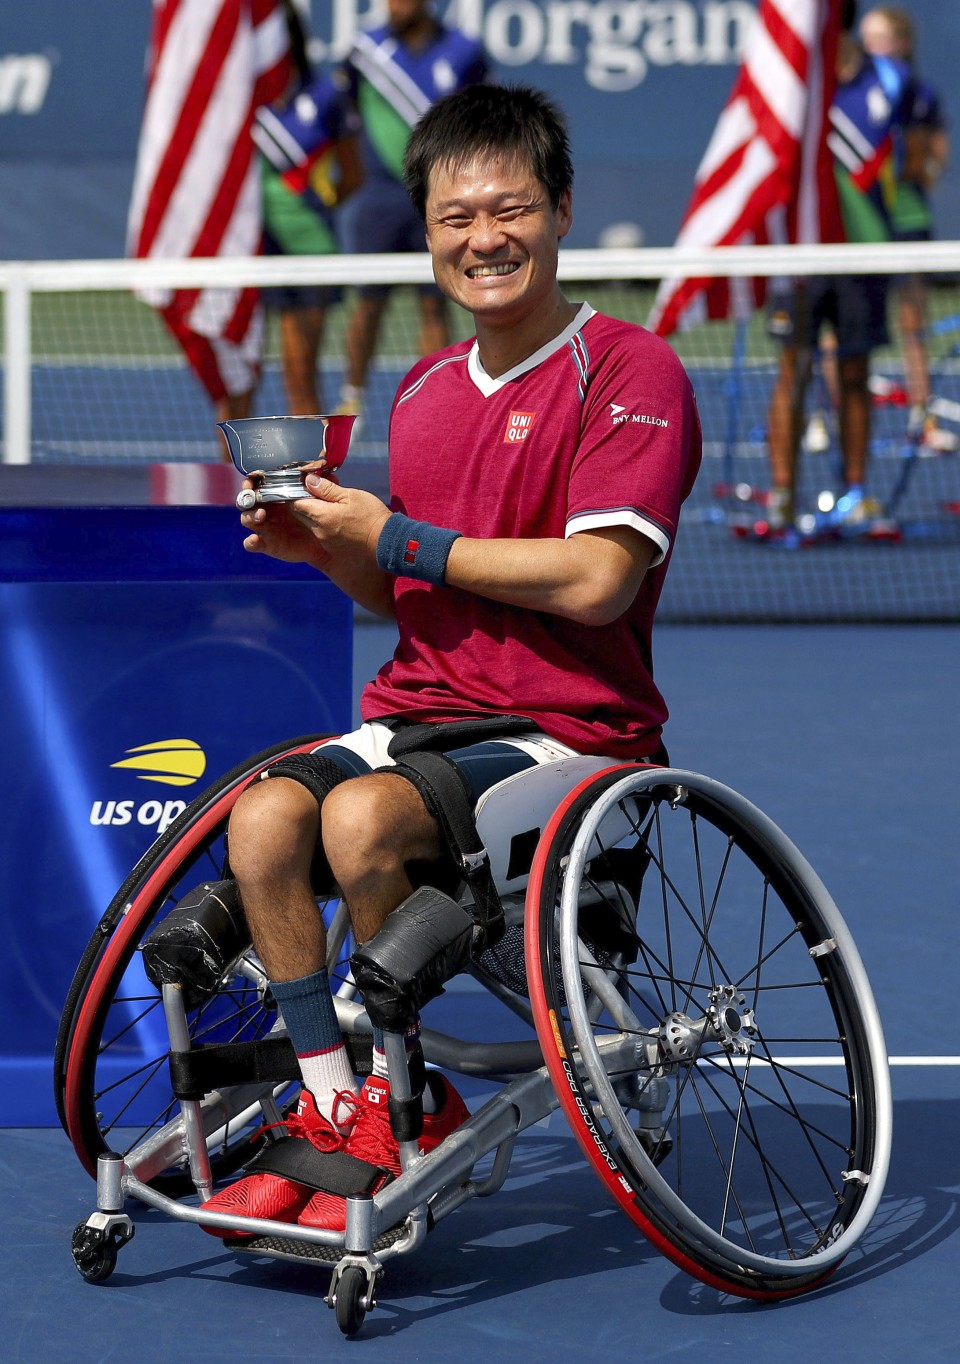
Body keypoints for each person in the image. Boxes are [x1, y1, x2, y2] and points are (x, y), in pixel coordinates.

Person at [199, 83, 702, 1237]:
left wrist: (400, 535)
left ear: (562, 210)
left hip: (574, 731)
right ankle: (346, 1107)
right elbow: (412, 586)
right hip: (427, 709)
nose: (484, 239)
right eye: (455, 218)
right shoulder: (424, 391)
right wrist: (326, 549)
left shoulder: (630, 370)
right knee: (261, 822)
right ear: (425, 234)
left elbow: (595, 581)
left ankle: (401, 1086)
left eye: (510, 208)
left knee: (364, 822)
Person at [766, 0, 909, 530]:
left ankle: (855, 493)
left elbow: (911, 156)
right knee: (794, 372)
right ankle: (783, 497)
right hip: (801, 256)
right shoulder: (791, 83)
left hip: (864, 254)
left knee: (855, 374)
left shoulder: (891, 80)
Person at [334, 0, 489, 425]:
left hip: (437, 199)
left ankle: (436, 399)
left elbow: (480, 119)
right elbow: (342, 115)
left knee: (434, 305)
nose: (394, 5)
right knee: (367, 306)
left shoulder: (464, 51)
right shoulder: (365, 52)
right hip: (378, 202)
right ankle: (352, 397)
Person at [254, 3, 362, 414]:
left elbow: (352, 177)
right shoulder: (241, 100)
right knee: (236, 382)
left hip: (311, 254)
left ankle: (311, 477)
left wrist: (316, 207)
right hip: (252, 255)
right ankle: (226, 477)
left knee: (299, 374)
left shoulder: (326, 96)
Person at [860, 5, 952, 450]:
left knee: (913, 320)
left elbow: (934, 157)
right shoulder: (850, 92)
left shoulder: (918, 93)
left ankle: (923, 416)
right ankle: (823, 418)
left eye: (879, 38)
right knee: (842, 328)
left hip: (907, 221)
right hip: (860, 225)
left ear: (903, 43)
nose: (869, 47)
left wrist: (916, 165)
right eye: (865, 38)